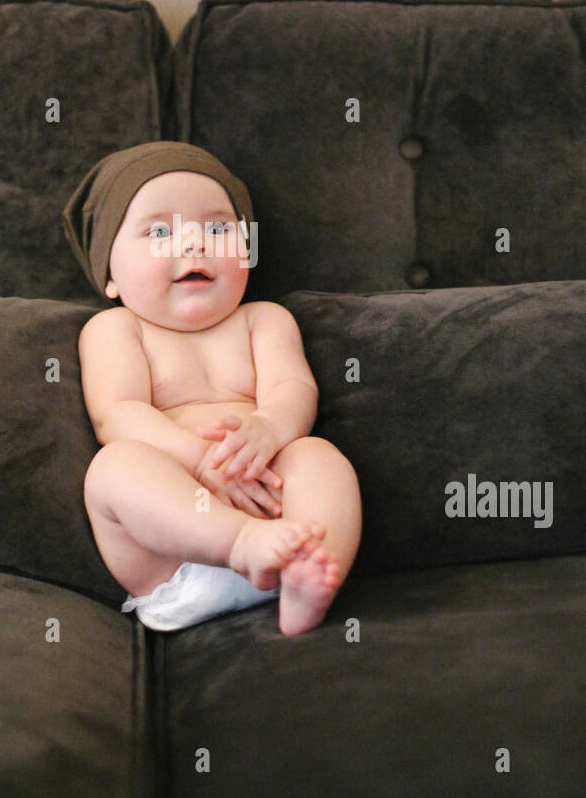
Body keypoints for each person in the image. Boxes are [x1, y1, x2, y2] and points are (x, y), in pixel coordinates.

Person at [62, 142, 362, 635]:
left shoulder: (264, 320)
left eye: (219, 228)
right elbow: (117, 414)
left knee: (318, 456)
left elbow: (294, 389)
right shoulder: (117, 330)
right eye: (160, 231)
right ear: (110, 274)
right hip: (174, 560)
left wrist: (268, 427)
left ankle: (310, 572)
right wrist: (200, 463)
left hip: (274, 518)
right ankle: (242, 545)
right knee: (112, 470)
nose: (196, 244)